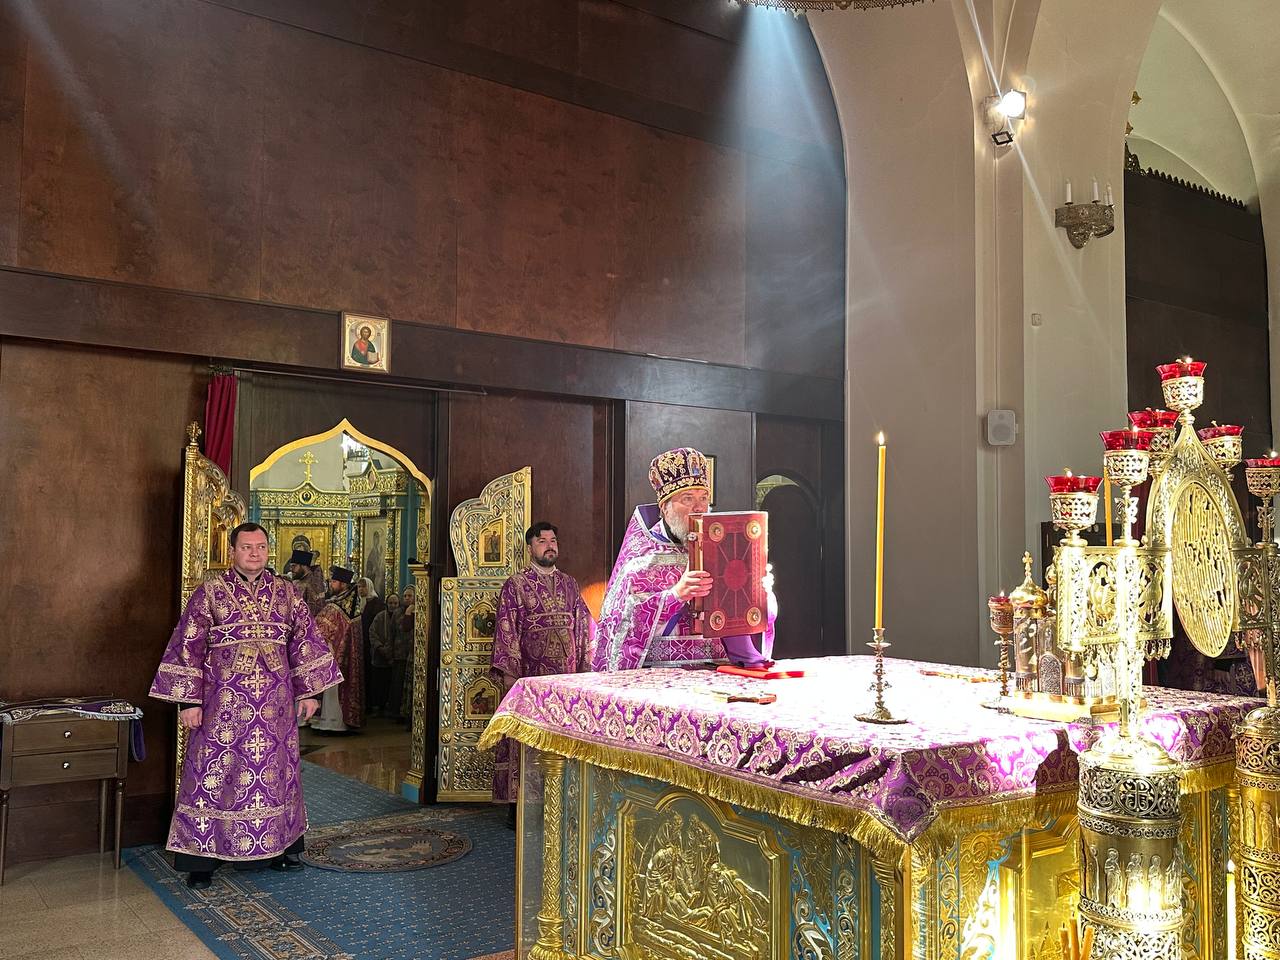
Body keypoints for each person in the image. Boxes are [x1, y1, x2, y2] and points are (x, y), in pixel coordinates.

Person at [149, 522, 341, 889]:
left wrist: (310, 692)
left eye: (261, 547)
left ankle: (280, 848)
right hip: (222, 706)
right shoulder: (209, 593)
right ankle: (201, 860)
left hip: (275, 708)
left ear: (269, 550)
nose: (255, 553)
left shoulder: (286, 593)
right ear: (233, 551)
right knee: (214, 773)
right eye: (247, 547)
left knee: (276, 776)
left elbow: (305, 641)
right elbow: (188, 645)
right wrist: (188, 701)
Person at [590, 447, 773, 672]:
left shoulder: (724, 551)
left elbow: (743, 623)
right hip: (657, 677)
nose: (699, 507)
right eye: (688, 499)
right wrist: (676, 595)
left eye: (704, 498)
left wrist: (758, 594)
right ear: (664, 508)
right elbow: (620, 630)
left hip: (718, 672)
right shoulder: (640, 561)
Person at [490, 522, 594, 825]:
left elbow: (583, 627)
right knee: (525, 738)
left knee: (559, 738)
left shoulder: (570, 584)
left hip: (565, 679)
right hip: (529, 679)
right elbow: (507, 627)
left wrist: (585, 668)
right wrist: (510, 674)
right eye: (542, 541)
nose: (550, 546)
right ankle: (520, 806)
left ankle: (559, 802)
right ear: (530, 548)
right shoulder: (516, 584)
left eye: (553, 540)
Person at [310, 566, 364, 732]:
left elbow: (318, 628)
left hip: (335, 653)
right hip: (342, 653)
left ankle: (333, 723)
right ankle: (335, 722)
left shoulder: (335, 607)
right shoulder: (352, 605)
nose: (331, 585)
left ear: (343, 584)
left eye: (334, 582)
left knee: (333, 689)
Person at [367, 593, 400, 715]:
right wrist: (380, 647)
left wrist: (390, 650)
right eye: (390, 603)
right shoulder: (380, 616)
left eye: (395, 603)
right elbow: (372, 632)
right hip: (379, 657)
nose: (393, 605)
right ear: (386, 604)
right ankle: (378, 706)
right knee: (378, 683)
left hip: (395, 656)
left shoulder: (400, 617)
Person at [389, 584, 415, 723]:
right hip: (399, 652)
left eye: (410, 596)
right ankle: (396, 712)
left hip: (413, 653)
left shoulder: (418, 610)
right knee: (397, 684)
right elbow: (392, 631)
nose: (407, 598)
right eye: (405, 596)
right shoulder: (397, 613)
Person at [284, 548, 326, 616]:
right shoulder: (296, 582)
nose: (291, 569)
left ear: (303, 566)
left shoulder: (314, 584)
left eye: (294, 566)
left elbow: (312, 611)